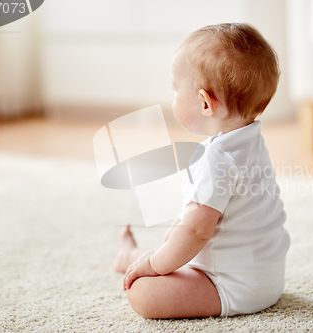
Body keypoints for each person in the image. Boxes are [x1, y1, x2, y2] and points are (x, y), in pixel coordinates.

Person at [114, 23, 290, 319]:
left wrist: (154, 266)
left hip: (230, 286)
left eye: (175, 88)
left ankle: (135, 259)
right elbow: (191, 222)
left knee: (143, 292)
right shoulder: (249, 141)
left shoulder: (216, 158)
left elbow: (195, 231)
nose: (172, 96)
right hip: (268, 281)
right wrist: (164, 253)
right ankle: (131, 256)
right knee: (171, 249)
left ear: (205, 102)